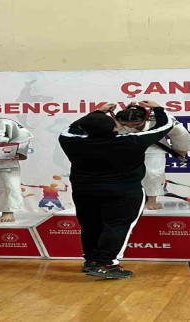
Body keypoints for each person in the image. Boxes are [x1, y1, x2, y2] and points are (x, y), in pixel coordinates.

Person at [58, 101, 173, 280]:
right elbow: (165, 126)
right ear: (114, 126)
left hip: (84, 192)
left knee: (90, 226)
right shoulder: (133, 141)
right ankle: (107, 264)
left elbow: (71, 128)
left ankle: (91, 261)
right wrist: (157, 108)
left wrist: (97, 111)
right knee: (117, 226)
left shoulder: (70, 141)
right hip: (124, 193)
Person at [114, 104, 190, 210]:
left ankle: (151, 201)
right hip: (125, 146)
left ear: (145, 118)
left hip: (153, 146)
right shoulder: (113, 119)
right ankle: (126, 200)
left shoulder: (159, 117)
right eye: (125, 125)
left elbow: (179, 132)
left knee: (153, 173)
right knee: (124, 174)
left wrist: (181, 149)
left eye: (136, 124)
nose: (131, 127)